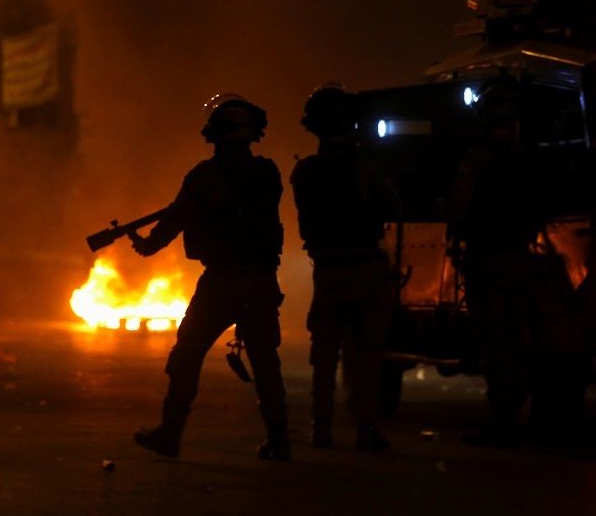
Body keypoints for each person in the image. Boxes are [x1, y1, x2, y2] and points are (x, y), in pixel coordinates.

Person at [128, 94, 290, 461]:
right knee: (266, 361)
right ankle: (280, 440)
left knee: (187, 353)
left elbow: (176, 218)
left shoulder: (204, 177)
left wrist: (148, 245)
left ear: (214, 135)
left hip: (222, 283)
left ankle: (170, 434)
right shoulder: (268, 173)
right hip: (262, 281)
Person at [290, 85, 398, 451]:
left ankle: (320, 429)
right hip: (366, 269)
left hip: (328, 271)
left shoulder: (304, 172)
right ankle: (365, 428)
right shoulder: (365, 166)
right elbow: (393, 207)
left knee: (324, 356)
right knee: (365, 355)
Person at [448, 80, 544, 447]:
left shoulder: (477, 160)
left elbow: (460, 207)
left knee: (496, 341)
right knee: (516, 339)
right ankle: (520, 415)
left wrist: (456, 233)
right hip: (519, 258)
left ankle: (504, 422)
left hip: (486, 259)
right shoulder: (528, 160)